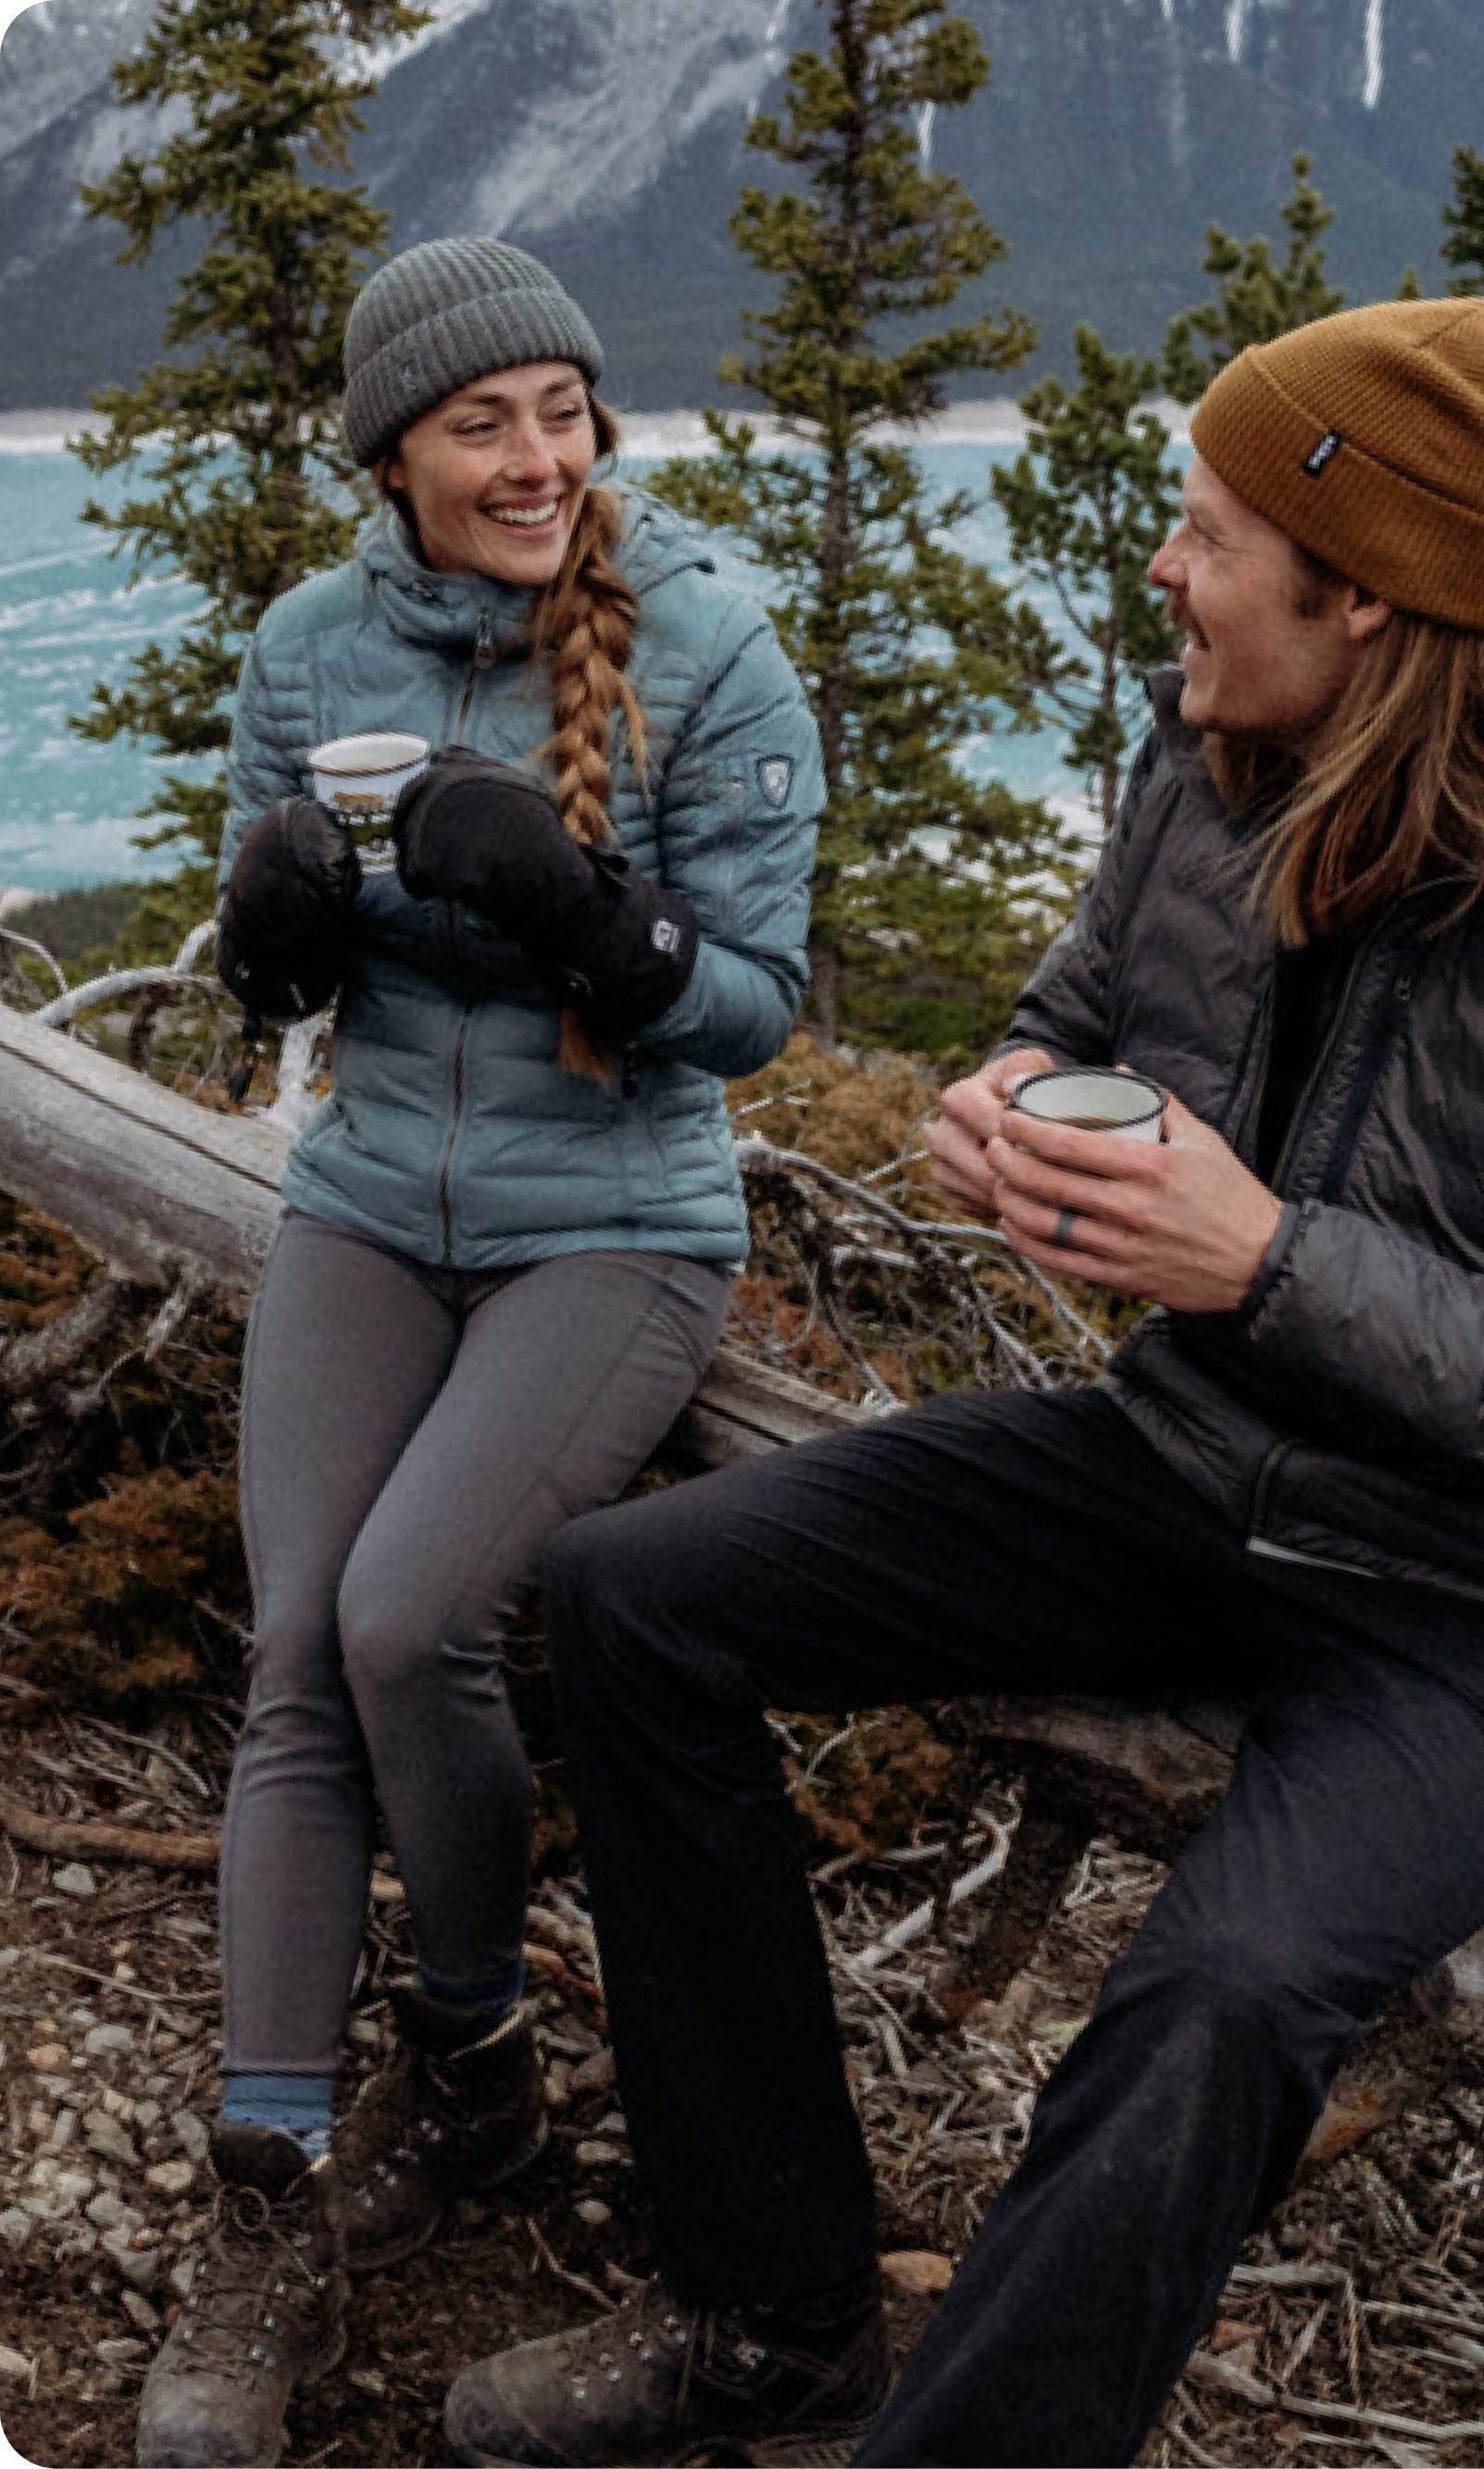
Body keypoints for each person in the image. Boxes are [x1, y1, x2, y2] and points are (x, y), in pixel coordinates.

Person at [442, 297, 1484, 2469]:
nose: (1165, 575)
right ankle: (772, 2307)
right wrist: (1001, 1093)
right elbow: (1079, 995)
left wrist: (1271, 1260)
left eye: (1203, 536)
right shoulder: (1212, 746)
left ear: (1361, 593)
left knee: (1211, 1994)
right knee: (639, 1598)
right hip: (1182, 1460)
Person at [132, 236, 820, 2469]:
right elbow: (280, 998)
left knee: (412, 1612)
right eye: (479, 422)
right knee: (297, 1656)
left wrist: (574, 896)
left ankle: (476, 2027)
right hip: (358, 1204)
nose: (537, 458)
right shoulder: (305, 644)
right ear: (396, 455)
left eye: (562, 408)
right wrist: (276, 928)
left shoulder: (707, 646)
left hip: (613, 1219)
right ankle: (276, 2174)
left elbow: (752, 1008)